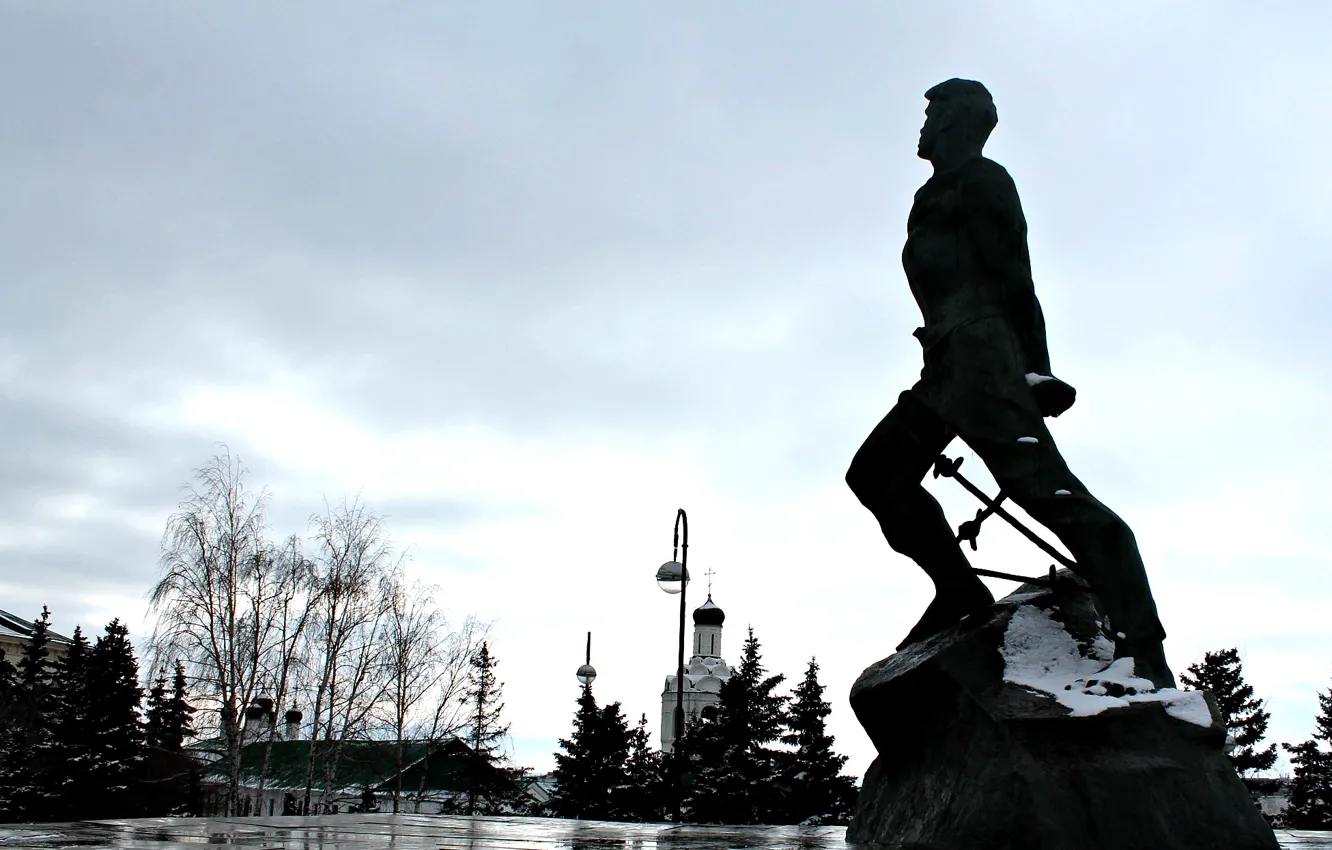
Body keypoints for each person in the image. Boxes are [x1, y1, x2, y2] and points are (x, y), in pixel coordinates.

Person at [845, 78, 1174, 689]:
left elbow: (1015, 275)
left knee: (1049, 496)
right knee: (876, 475)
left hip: (984, 358)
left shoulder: (984, 181)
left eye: (933, 112)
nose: (923, 124)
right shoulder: (929, 195)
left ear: (955, 123)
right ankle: (959, 590)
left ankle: (1143, 648)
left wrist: (1036, 368)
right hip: (943, 364)